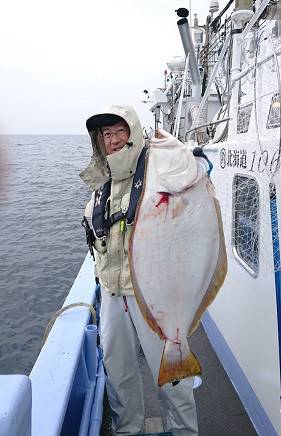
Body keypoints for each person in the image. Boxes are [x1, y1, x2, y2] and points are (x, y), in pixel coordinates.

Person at [80, 104, 198, 436]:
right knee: (118, 374)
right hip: (112, 292)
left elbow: (186, 189)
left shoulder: (157, 169)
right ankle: (127, 430)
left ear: (133, 133)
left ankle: (185, 432)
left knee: (174, 377)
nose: (114, 140)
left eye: (120, 131)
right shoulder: (101, 181)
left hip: (153, 295)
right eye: (106, 134)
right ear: (99, 141)